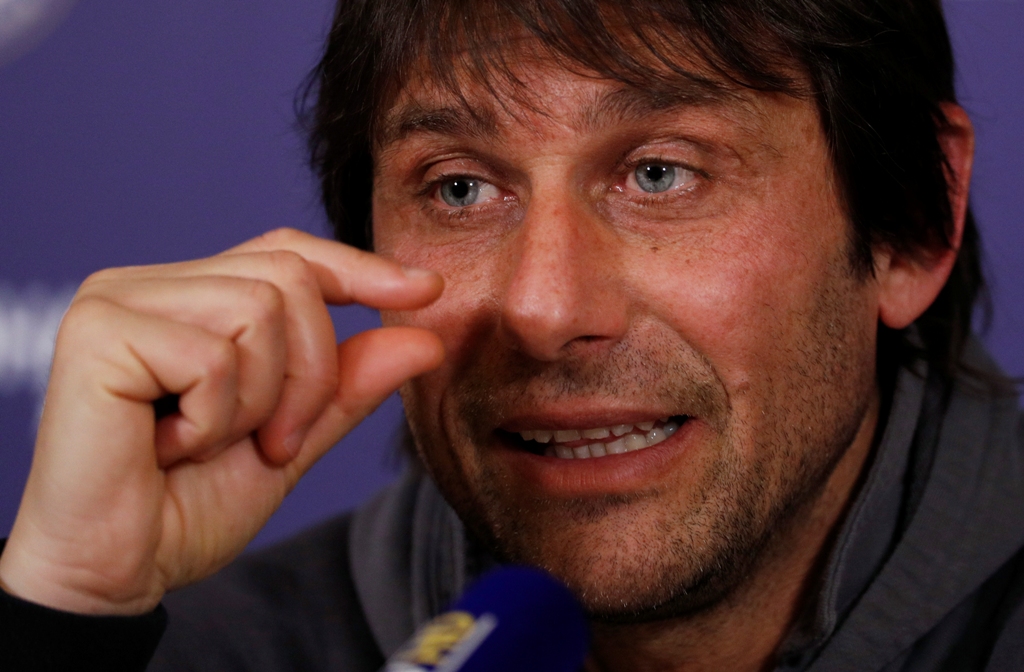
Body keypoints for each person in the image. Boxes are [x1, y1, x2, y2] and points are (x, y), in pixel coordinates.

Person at [1, 0, 1022, 670]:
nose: (543, 309)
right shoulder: (191, 651)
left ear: (910, 222)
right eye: (460, 188)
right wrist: (61, 621)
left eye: (661, 173)